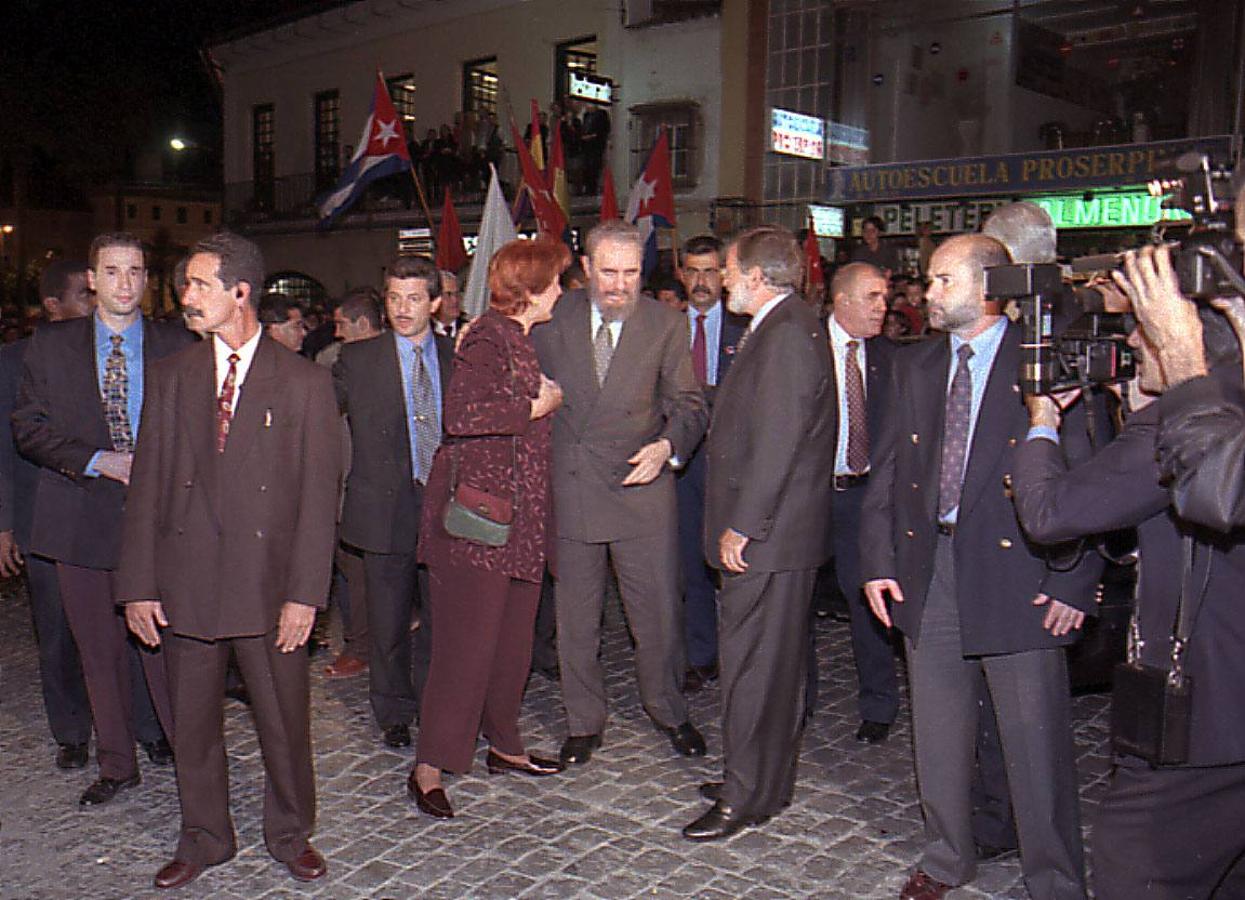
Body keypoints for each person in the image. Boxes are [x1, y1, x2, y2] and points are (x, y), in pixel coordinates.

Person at [860, 234, 1099, 900]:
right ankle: (945, 858)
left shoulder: (1044, 366)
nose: (926, 294)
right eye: (930, 282)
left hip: (1020, 574)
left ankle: (1054, 880)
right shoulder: (917, 366)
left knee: (1034, 746)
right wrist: (878, 561)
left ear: (988, 287)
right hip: (928, 567)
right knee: (936, 732)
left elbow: (1089, 479)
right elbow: (888, 472)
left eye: (941, 281)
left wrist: (1073, 582)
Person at [1012, 242, 1245, 898]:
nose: (1132, 341)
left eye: (1144, 327)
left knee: (1130, 871)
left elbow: (1052, 512)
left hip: (1204, 724)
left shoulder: (1185, 427)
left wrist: (1039, 422)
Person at [117, 231, 341, 889]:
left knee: (283, 722)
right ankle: (204, 836)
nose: (185, 296)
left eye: (198, 284)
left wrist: (305, 595)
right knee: (192, 725)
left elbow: (317, 497)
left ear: (239, 292)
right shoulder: (172, 378)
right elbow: (148, 487)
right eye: (185, 284)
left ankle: (290, 832)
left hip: (269, 590)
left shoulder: (302, 383)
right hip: (186, 584)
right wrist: (138, 585)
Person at [13, 233, 192, 807]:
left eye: (135, 272)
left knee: (165, 646)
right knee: (98, 651)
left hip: (160, 522)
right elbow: (28, 427)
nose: (124, 283)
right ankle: (117, 763)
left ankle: (185, 754)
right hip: (78, 517)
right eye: (112, 272)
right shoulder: (51, 344)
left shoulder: (177, 343)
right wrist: (97, 461)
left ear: (147, 279)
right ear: (92, 279)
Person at [531, 220, 708, 767]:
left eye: (631, 273)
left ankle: (668, 708)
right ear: (586, 268)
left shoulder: (665, 325)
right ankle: (584, 721)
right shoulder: (550, 316)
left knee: (655, 614)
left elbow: (690, 404)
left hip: (641, 486)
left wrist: (667, 447)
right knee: (577, 618)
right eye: (608, 272)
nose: (619, 285)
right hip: (574, 485)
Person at [682, 226, 835, 841]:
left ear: (755, 275)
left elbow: (777, 442)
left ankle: (743, 797)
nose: (718, 282)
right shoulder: (783, 326)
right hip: (781, 538)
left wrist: (742, 526)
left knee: (751, 669)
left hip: (767, 539)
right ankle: (763, 784)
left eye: (727, 270)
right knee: (772, 670)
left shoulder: (787, 335)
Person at [409, 237, 571, 818]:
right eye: (555, 280)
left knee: (511, 649)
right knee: (464, 652)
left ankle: (505, 746)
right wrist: (535, 408)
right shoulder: (486, 336)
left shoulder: (523, 339)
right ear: (528, 288)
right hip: (478, 529)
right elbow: (462, 416)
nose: (561, 290)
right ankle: (429, 766)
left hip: (520, 527)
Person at [333, 255, 452, 748]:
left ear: (436, 303)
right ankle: (393, 712)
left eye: (414, 298)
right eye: (394, 298)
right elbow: (315, 413)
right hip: (383, 512)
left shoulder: (458, 356)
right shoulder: (358, 360)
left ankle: (436, 702)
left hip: (446, 510)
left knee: (443, 617)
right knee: (387, 622)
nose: (403, 309)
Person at [0, 260, 95, 770]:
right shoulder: (12, 361)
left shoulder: (110, 351)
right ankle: (72, 733)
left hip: (104, 511)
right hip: (43, 517)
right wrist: (4, 524)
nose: (95, 303)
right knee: (56, 632)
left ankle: (145, 729)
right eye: (84, 294)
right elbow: (2, 448)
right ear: (54, 305)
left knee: (126, 627)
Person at [823, 262, 901, 744]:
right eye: (872, 297)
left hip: (864, 498)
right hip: (812, 497)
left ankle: (879, 702)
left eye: (885, 296)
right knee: (796, 605)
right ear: (843, 300)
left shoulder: (892, 359)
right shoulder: (806, 350)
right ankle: (797, 704)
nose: (883, 306)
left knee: (868, 600)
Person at [673, 234, 748, 692]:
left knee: (736, 564)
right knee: (688, 563)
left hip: (733, 467)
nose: (701, 282)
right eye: (693, 271)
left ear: (724, 275)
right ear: (681, 275)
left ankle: (742, 654)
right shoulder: (663, 328)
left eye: (710, 271)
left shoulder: (748, 328)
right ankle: (700, 654)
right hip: (682, 467)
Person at [317, 287, 384, 679]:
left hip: (386, 483)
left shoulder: (397, 358)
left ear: (360, 323)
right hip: (348, 483)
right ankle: (361, 643)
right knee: (353, 568)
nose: (336, 330)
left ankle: (369, 642)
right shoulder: (333, 362)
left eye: (342, 323)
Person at [432, 269, 469, 339]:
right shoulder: (423, 331)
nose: (455, 300)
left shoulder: (471, 330)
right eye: (448, 294)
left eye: (457, 294)